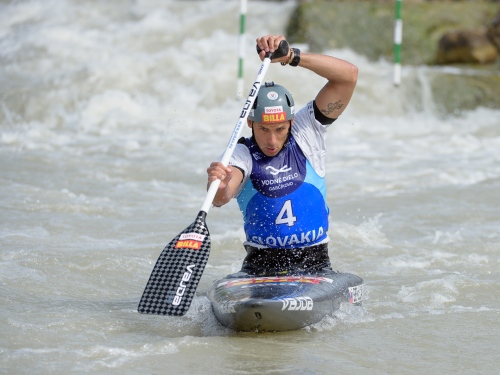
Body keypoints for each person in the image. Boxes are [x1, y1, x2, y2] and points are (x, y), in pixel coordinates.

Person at [207, 35, 358, 277]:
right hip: (259, 268)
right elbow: (221, 197)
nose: (272, 141)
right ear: (250, 122)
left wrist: (291, 57)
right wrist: (220, 184)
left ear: (291, 121)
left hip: (315, 266)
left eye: (280, 129)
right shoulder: (240, 153)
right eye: (263, 129)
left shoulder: (308, 131)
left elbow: (348, 76)